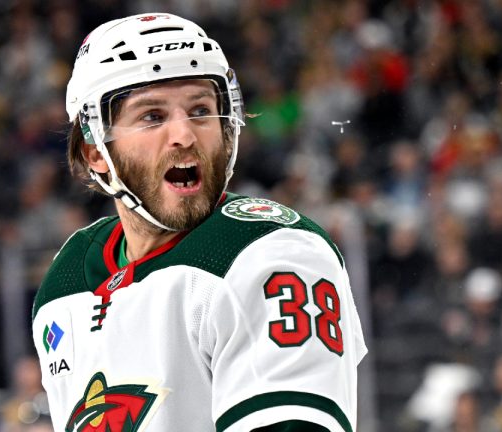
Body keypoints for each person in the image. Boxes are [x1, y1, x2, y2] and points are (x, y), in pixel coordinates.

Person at [32, 12, 367, 432]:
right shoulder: (65, 282)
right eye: (152, 116)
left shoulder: (270, 253)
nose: (185, 135)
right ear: (96, 152)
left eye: (200, 110)